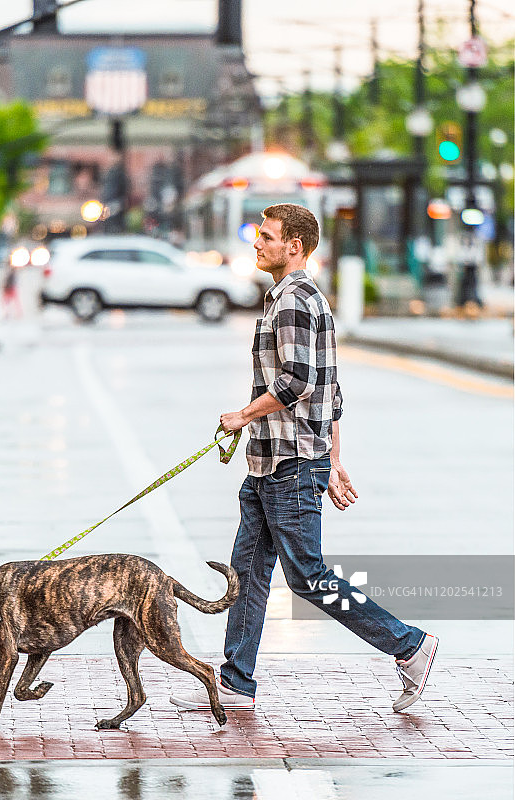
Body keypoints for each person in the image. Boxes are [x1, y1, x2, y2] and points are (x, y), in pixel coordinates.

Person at [170, 204, 438, 714]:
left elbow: (297, 382)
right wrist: (333, 460)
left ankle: (410, 647)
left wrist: (243, 414)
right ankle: (235, 680)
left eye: (267, 237)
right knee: (247, 572)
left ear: (294, 245)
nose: (257, 244)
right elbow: (331, 390)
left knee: (307, 576)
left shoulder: (294, 300)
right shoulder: (297, 299)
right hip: (274, 462)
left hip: (289, 463)